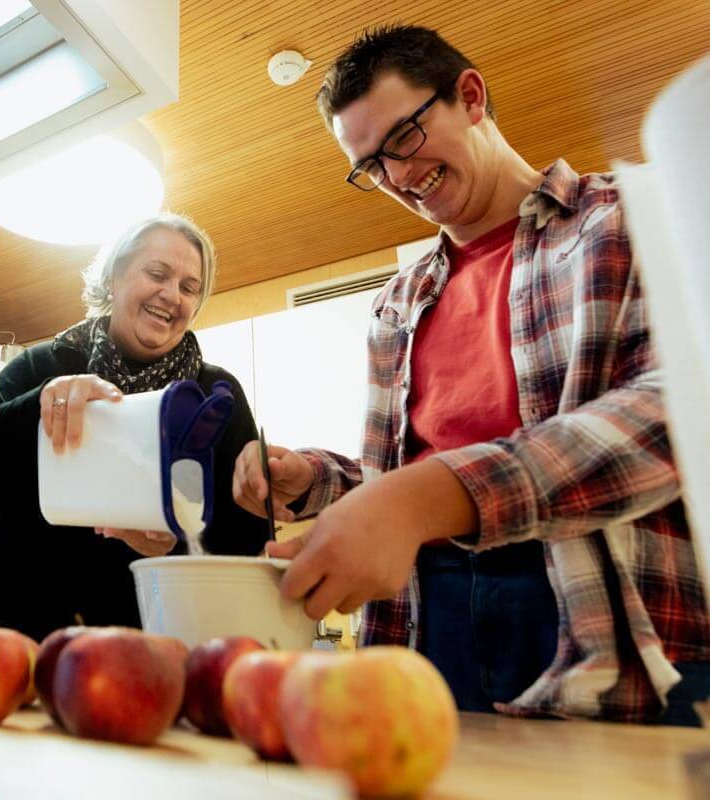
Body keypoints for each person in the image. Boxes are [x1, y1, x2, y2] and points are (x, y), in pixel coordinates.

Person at [233, 25, 710, 724]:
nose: (396, 176)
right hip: (426, 614)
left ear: (471, 96)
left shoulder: (625, 219)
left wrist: (424, 498)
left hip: (603, 610)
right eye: (370, 165)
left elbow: (680, 414)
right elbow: (400, 481)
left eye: (403, 137)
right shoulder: (395, 305)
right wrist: (315, 480)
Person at [0, 213, 269, 643]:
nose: (172, 295)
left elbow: (248, 533)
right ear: (114, 278)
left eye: (190, 287)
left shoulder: (213, 393)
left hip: (159, 643)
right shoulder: (46, 365)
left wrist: (177, 546)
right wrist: (40, 405)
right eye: (157, 274)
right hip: (32, 637)